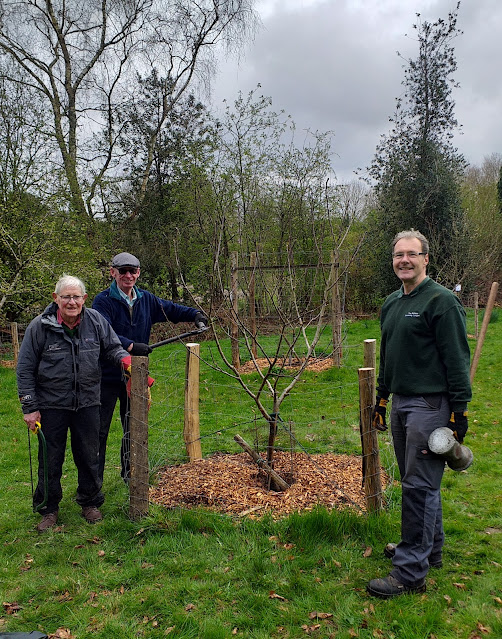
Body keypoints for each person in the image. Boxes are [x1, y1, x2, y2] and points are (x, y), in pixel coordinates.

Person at [367, 229, 472, 599]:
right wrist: (381, 399)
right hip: (400, 403)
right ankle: (431, 551)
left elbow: (458, 359)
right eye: (399, 255)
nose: (404, 260)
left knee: (418, 487)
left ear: (426, 259)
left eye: (412, 254)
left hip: (430, 406)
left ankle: (411, 572)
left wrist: (459, 412)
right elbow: (388, 355)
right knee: (420, 481)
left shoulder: (441, 302)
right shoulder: (392, 303)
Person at [17, 275, 130, 532]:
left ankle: (90, 502)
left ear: (84, 299)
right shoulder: (39, 327)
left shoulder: (95, 321)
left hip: (89, 402)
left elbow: (113, 348)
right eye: (65, 297)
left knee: (89, 455)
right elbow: (24, 369)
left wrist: (126, 361)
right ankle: (48, 509)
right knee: (50, 458)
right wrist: (30, 407)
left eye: (76, 297)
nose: (71, 302)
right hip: (51, 405)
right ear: (55, 299)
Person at [92, 252, 208, 483]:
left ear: (138, 273)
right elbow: (103, 332)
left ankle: (131, 477)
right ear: (112, 272)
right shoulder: (102, 301)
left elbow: (171, 309)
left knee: (134, 428)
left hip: (136, 374)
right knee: (98, 432)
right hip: (106, 375)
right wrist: (131, 345)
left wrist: (195, 314)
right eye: (122, 270)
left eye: (132, 270)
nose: (128, 275)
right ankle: (93, 485)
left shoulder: (146, 299)